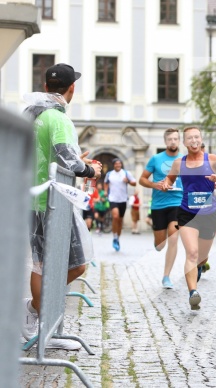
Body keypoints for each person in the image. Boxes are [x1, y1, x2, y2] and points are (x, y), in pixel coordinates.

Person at [23, 63, 102, 350]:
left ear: (46, 86)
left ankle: (41, 322)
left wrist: (76, 160)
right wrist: (91, 169)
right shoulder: (58, 118)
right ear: (72, 88)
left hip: (35, 200)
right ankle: (40, 317)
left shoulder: (34, 115)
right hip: (53, 202)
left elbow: (50, 155)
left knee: (42, 264)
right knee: (75, 265)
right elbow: (68, 160)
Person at [161, 126, 216, 310]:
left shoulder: (212, 159)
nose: (194, 141)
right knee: (192, 253)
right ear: (184, 142)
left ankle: (200, 267)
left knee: (202, 257)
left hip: (208, 213)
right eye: (189, 138)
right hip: (187, 212)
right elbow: (169, 180)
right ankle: (193, 292)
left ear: (200, 139)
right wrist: (165, 184)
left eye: (197, 137)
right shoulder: (179, 163)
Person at [139, 128, 183, 288]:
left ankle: (166, 276)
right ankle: (157, 233)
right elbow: (142, 179)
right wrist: (154, 185)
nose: (173, 142)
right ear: (165, 142)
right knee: (160, 245)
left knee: (173, 237)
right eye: (170, 139)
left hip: (177, 204)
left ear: (179, 141)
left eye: (176, 139)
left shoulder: (184, 160)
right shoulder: (156, 159)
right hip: (158, 205)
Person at [104, 158, 136, 251]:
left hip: (123, 200)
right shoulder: (109, 174)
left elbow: (134, 183)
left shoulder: (126, 173)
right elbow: (106, 183)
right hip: (112, 199)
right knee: (115, 216)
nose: (118, 165)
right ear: (113, 165)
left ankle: (117, 238)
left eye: (119, 164)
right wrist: (106, 191)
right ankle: (114, 237)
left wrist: (128, 181)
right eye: (116, 164)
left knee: (120, 221)